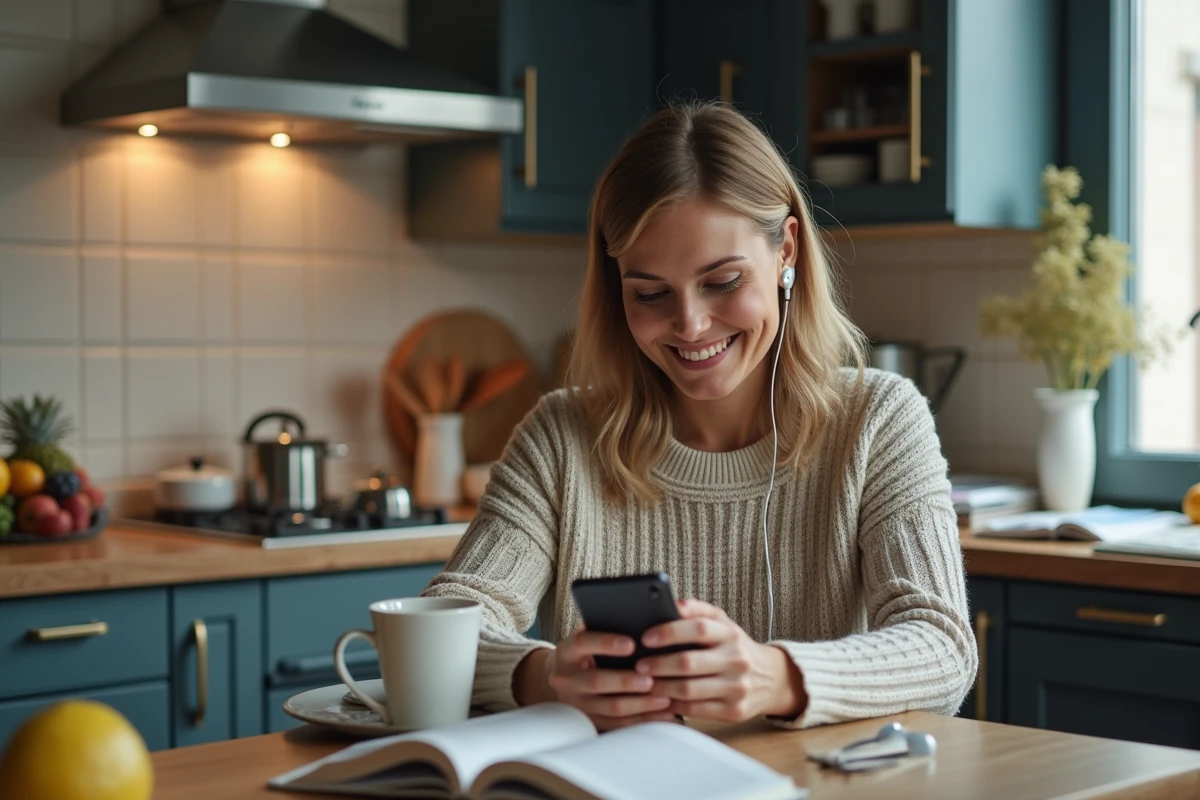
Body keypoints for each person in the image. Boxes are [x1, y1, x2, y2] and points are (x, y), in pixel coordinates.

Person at [421, 101, 976, 731]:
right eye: (650, 293)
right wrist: (541, 676)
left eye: (723, 281)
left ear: (786, 250)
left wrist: (777, 677)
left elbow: (943, 649)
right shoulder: (560, 437)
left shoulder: (879, 420)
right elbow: (448, 618)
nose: (690, 325)